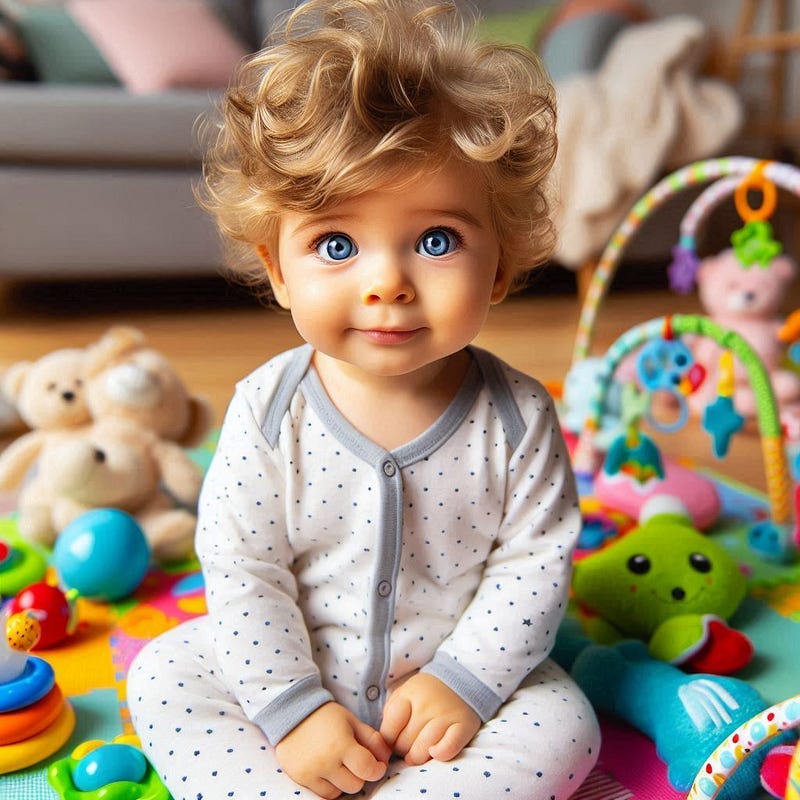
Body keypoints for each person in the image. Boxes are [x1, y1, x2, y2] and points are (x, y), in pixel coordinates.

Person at [127, 1, 601, 798]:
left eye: (437, 241)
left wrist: (465, 680)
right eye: (336, 245)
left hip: (447, 702)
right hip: (290, 668)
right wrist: (292, 709)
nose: (387, 282)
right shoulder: (268, 411)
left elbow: (534, 566)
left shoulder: (518, 419)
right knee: (165, 674)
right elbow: (244, 570)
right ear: (278, 268)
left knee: (566, 727)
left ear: (498, 266)